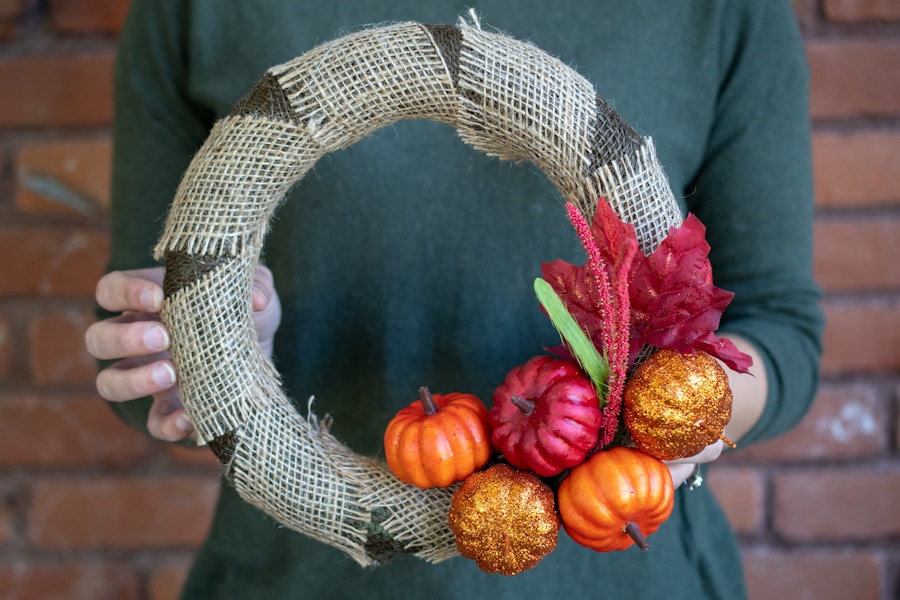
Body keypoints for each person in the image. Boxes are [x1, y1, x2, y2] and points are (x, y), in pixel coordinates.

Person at [85, 0, 823, 598]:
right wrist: (194, 351)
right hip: (293, 577)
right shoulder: (190, 9)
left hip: (629, 571)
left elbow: (780, 331)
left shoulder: (724, 12)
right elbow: (139, 321)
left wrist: (681, 408)